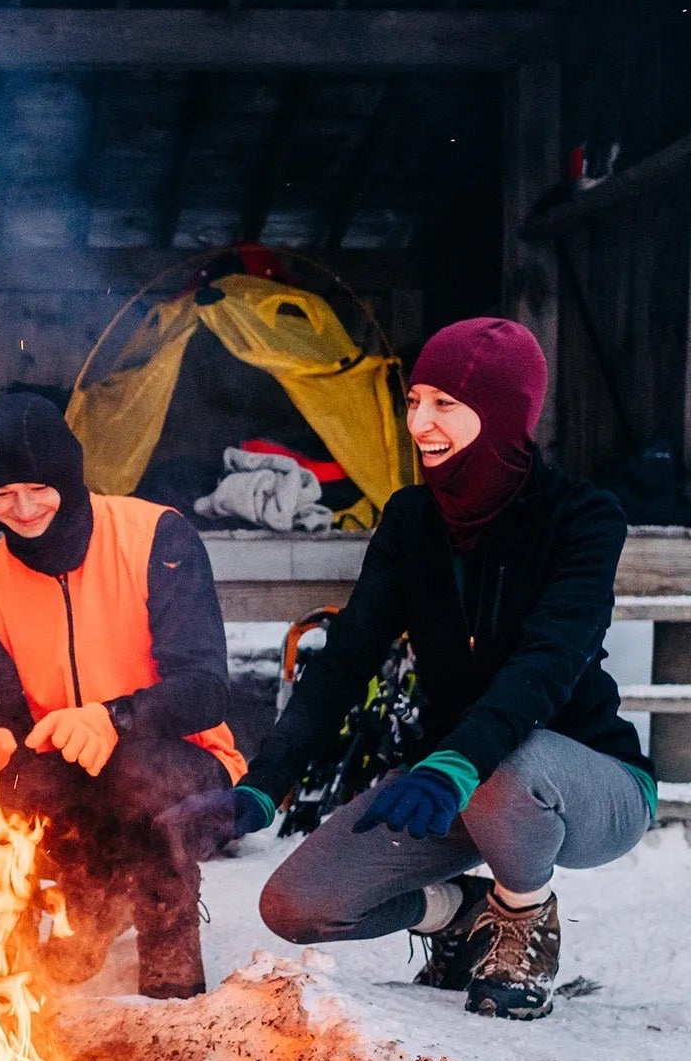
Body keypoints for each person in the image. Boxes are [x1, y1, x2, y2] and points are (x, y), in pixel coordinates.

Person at [179, 318, 656, 1021]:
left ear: (500, 414)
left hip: (585, 785)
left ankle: (525, 922)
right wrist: (265, 783)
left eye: (445, 405)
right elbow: (346, 661)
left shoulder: (581, 518)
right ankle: (462, 915)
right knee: (296, 905)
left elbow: (549, 662)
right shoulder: (411, 520)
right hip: (455, 780)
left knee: (509, 768)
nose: (419, 423)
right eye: (415, 401)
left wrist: (457, 762)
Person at [0, 392, 246, 997]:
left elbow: (206, 689)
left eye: (38, 488)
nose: (24, 509)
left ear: (68, 475)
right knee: (6, 787)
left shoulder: (156, 537)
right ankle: (31, 960)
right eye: (3, 495)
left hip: (182, 772)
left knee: (138, 770)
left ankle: (171, 982)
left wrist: (115, 717)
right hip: (71, 783)